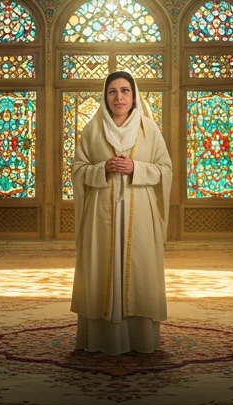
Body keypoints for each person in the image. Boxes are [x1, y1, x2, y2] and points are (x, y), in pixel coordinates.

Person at [70, 69, 172, 355]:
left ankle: (140, 339)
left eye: (125, 91)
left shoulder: (149, 129)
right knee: (101, 268)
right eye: (112, 91)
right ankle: (102, 339)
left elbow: (165, 169)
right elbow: (77, 170)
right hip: (100, 214)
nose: (119, 97)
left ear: (134, 95)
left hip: (140, 215)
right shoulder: (92, 130)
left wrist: (135, 168)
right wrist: (102, 168)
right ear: (105, 96)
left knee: (139, 270)